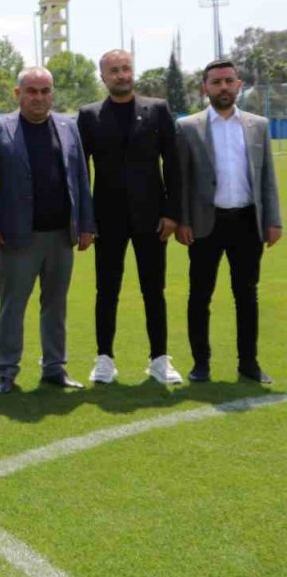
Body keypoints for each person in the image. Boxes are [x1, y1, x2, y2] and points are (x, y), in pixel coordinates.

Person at [0, 66, 95, 394]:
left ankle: (55, 368)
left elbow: (81, 179)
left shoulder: (68, 127)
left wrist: (86, 224)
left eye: (45, 91)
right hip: (18, 236)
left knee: (56, 305)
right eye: (32, 91)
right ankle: (7, 372)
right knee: (13, 306)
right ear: (18, 94)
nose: (39, 97)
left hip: (61, 235)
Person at [77, 49, 183, 385]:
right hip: (106, 221)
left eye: (126, 69)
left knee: (154, 290)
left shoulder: (158, 110)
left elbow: (174, 165)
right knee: (106, 290)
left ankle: (159, 360)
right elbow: (80, 173)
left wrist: (171, 212)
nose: (122, 75)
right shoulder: (89, 115)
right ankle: (104, 359)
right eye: (114, 71)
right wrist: (86, 220)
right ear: (103, 77)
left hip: (152, 219)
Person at [176, 59, 281, 383]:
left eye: (228, 81)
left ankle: (248, 363)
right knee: (200, 296)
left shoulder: (257, 125)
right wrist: (183, 220)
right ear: (204, 88)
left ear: (239, 85)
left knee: (247, 295)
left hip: (248, 222)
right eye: (216, 82)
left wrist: (273, 220)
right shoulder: (188, 127)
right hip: (206, 224)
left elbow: (267, 180)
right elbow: (181, 180)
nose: (223, 87)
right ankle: (201, 364)